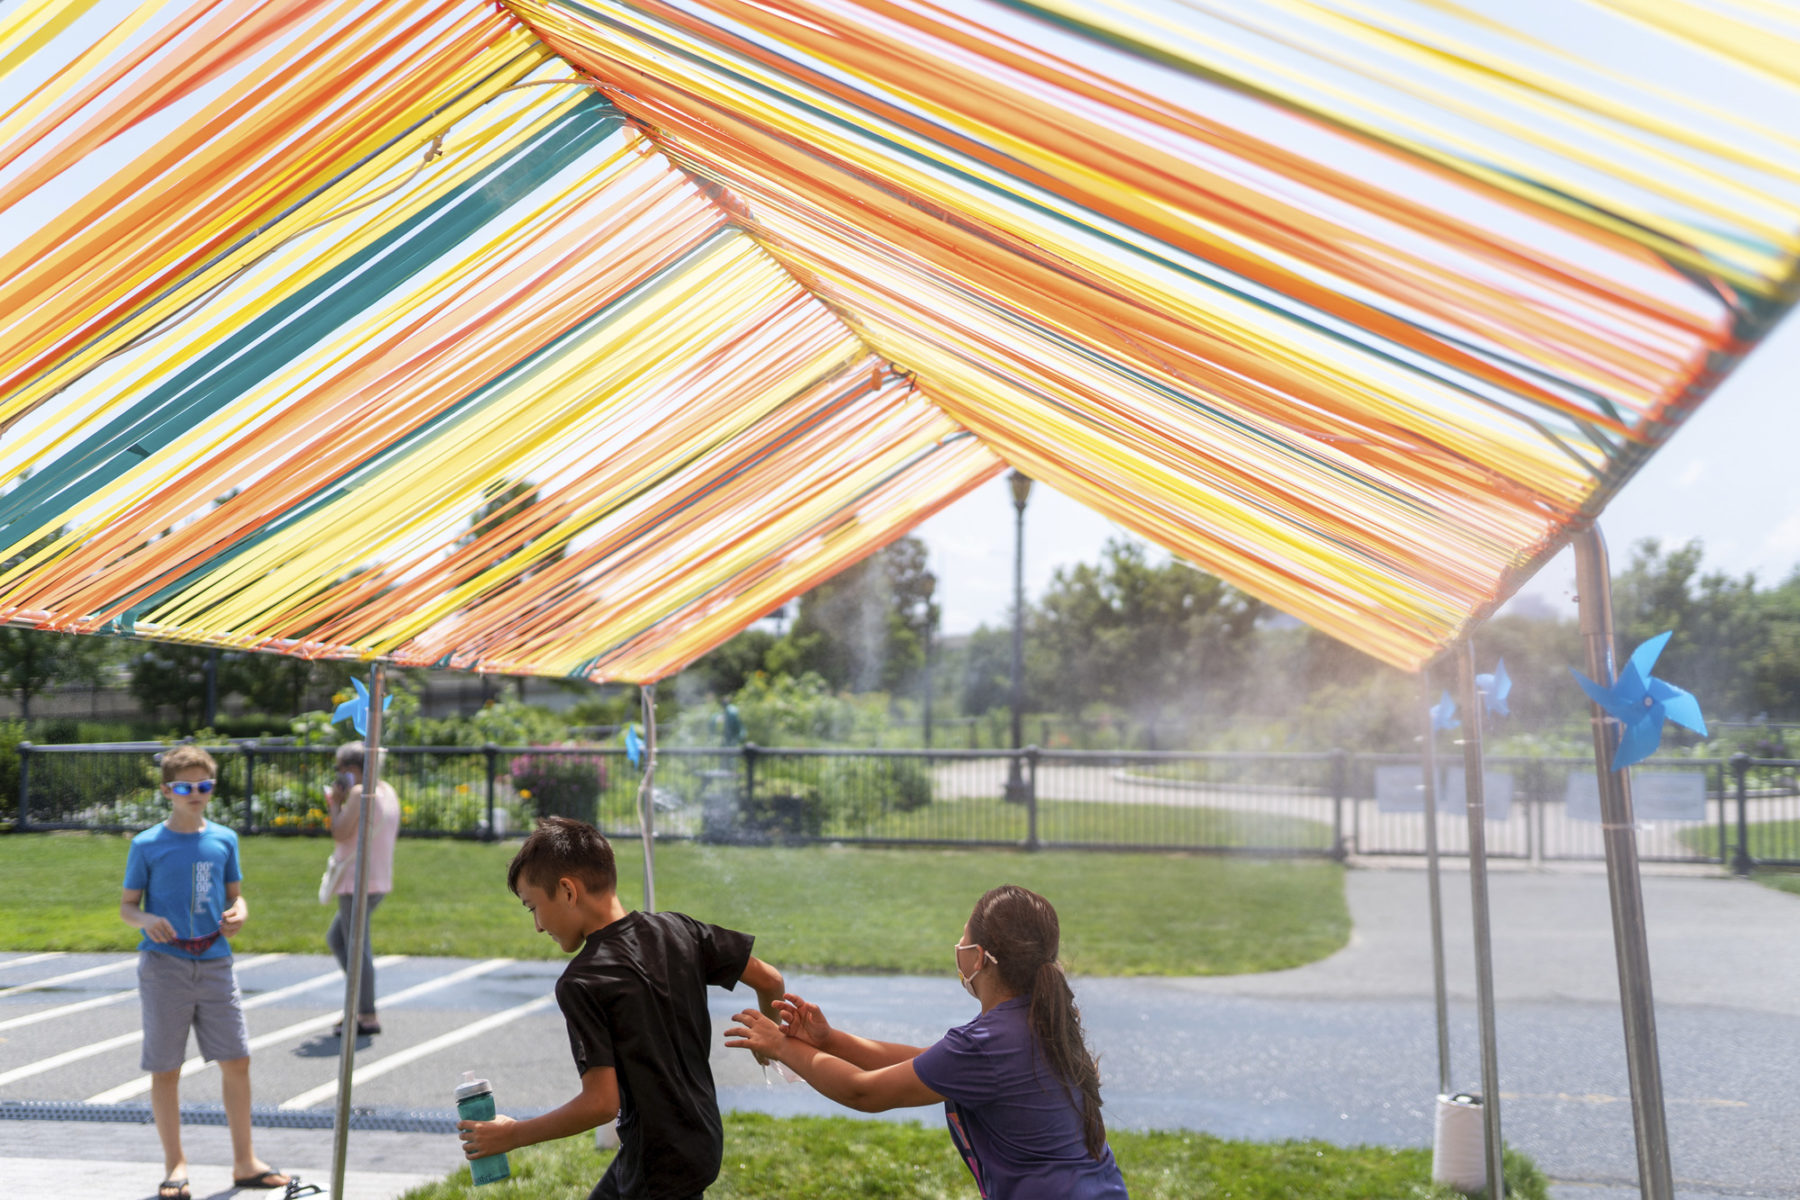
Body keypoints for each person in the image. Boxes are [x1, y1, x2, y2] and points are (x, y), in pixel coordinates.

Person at [725, 884, 1130, 1200]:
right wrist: (829, 1041)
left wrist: (782, 1046)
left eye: (963, 938)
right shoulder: (1036, 1017)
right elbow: (928, 1063)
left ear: (978, 957)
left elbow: (862, 1093)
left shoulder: (989, 1042)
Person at [457, 816, 786, 1200]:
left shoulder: (582, 982)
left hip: (657, 1162)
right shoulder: (679, 929)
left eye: (533, 907)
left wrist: (512, 1134)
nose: (537, 926)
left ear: (567, 891)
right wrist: (770, 1039)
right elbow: (770, 980)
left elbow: (599, 1104)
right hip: (697, 1138)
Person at [119, 745, 292, 1200]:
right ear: (166, 791)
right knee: (166, 1067)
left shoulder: (224, 839)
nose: (194, 794)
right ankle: (175, 1165)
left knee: (237, 1059)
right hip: (164, 966)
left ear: (212, 788)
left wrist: (240, 913)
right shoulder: (147, 844)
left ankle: (245, 1162)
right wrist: (145, 921)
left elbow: (237, 896)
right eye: (184, 787)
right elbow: (127, 907)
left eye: (204, 786)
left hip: (215, 962)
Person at [324, 740, 400, 1038]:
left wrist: (335, 803)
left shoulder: (359, 793)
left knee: (356, 948)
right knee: (339, 939)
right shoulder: (386, 789)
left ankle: (366, 1014)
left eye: (341, 770)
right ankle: (358, 1002)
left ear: (354, 769)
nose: (339, 776)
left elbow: (339, 832)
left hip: (356, 879)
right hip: (376, 878)